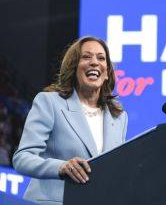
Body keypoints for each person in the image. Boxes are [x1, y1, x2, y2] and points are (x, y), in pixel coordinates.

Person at [12, 36, 128, 205]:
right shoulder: (49, 102)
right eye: (86, 57)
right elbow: (23, 158)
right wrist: (60, 167)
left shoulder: (119, 117)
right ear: (74, 67)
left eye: (101, 58)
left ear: (107, 73)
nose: (94, 62)